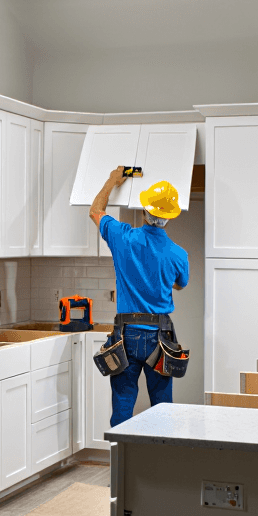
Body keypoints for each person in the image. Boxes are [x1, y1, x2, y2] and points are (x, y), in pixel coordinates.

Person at [90, 166, 189, 427]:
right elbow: (180, 285)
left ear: (145, 211)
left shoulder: (122, 237)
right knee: (162, 407)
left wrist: (112, 180)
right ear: (170, 217)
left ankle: (121, 452)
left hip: (127, 335)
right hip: (160, 336)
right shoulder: (178, 254)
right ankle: (161, 451)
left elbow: (95, 211)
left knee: (123, 403)